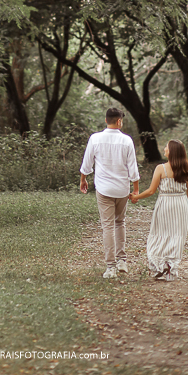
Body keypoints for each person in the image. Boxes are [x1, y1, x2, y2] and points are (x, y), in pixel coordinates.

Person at [79, 107, 140, 279]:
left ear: (106, 120)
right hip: (122, 189)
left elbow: (87, 163)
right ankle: (122, 261)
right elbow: (133, 167)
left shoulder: (95, 138)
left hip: (104, 189)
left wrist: (83, 179)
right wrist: (135, 189)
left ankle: (110, 267)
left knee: (107, 226)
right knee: (120, 222)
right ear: (119, 121)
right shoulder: (127, 140)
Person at [130, 138, 188, 281]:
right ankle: (170, 268)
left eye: (167, 147)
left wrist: (135, 196)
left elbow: (151, 191)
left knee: (159, 234)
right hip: (181, 205)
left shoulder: (161, 168)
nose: (164, 149)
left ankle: (160, 265)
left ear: (172, 152)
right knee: (177, 236)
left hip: (165, 204)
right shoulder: (186, 169)